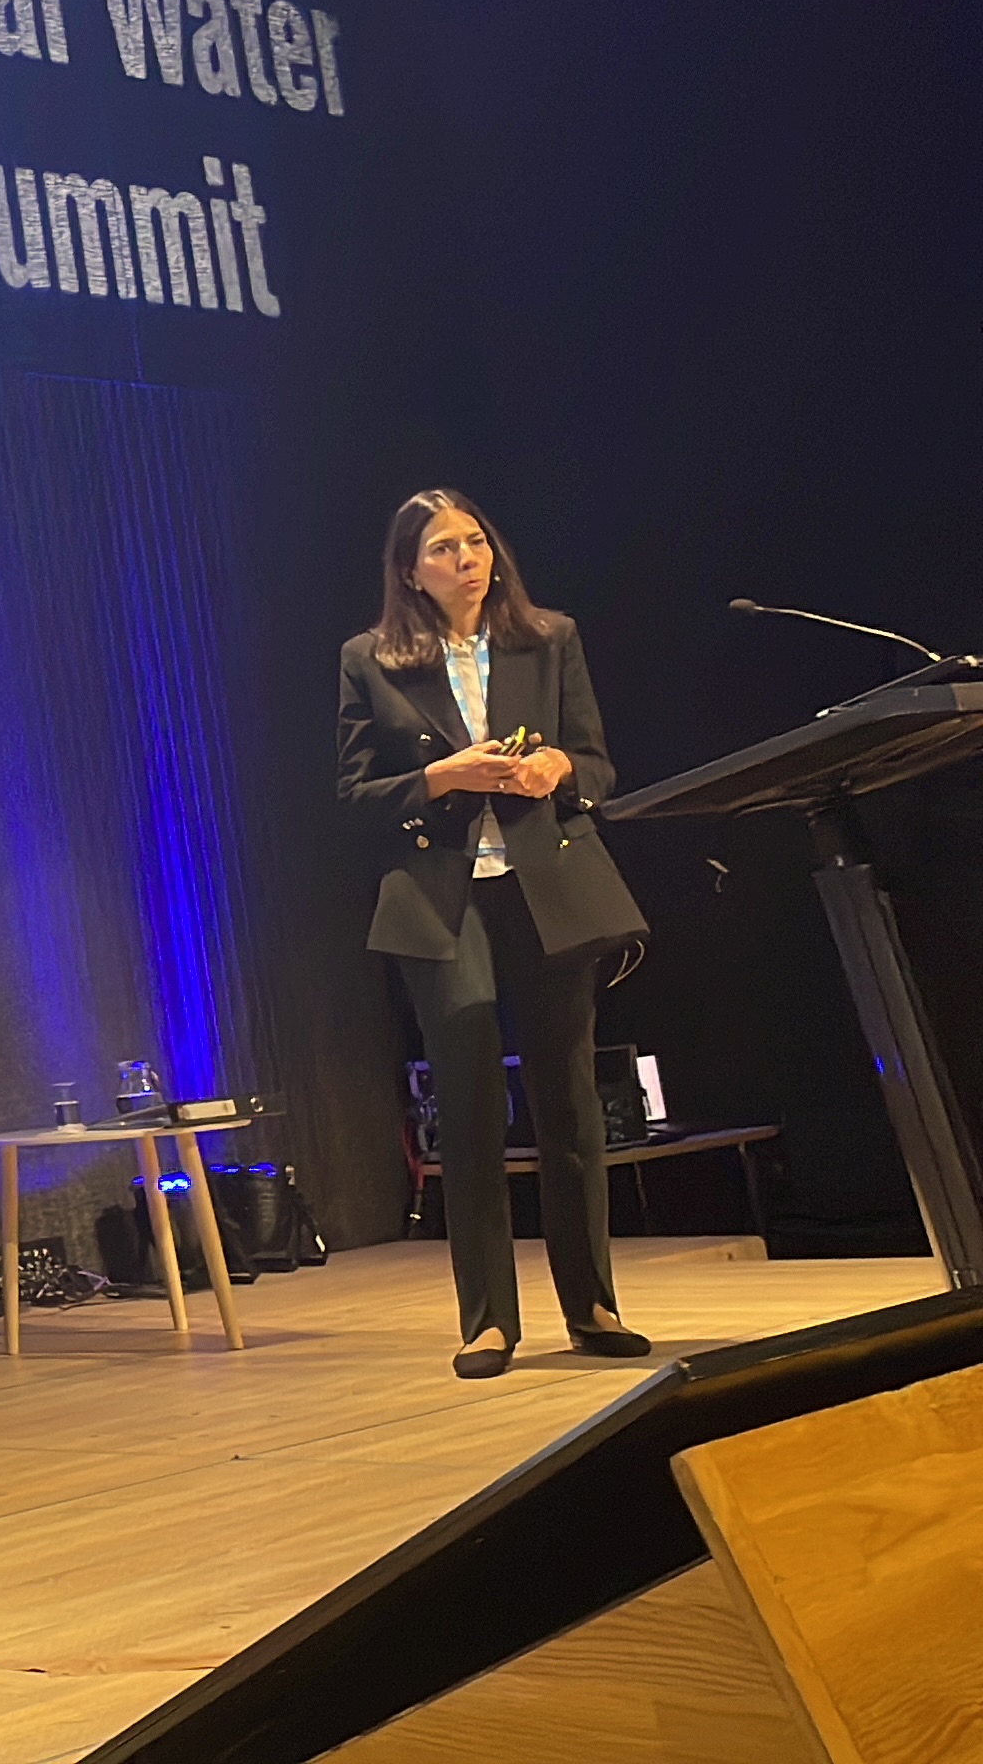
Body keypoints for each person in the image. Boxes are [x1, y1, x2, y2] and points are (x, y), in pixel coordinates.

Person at [336, 489, 652, 1378]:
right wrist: (445, 777)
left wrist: (557, 767)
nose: (466, 559)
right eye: (443, 548)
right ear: (410, 571)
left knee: (569, 1100)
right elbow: (354, 795)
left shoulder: (548, 638)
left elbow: (597, 762)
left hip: (545, 883)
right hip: (442, 893)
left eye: (475, 542)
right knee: (471, 1102)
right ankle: (487, 1321)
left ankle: (591, 1305)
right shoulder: (371, 659)